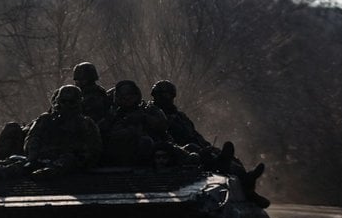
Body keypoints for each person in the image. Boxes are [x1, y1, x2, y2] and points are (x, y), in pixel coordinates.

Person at [149, 79, 269, 207]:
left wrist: (208, 147)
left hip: (193, 147)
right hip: (175, 151)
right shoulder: (151, 114)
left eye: (168, 95)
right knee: (199, 154)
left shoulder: (179, 116)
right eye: (161, 95)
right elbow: (160, 137)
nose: (165, 98)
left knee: (224, 158)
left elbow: (194, 134)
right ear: (155, 96)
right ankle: (227, 168)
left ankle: (248, 186)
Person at [0, 85, 101, 179]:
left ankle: (49, 172)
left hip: (68, 162)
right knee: (20, 162)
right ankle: (3, 172)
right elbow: (33, 138)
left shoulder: (86, 123)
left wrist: (75, 156)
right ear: (58, 102)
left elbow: (93, 149)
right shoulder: (46, 119)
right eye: (64, 102)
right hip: (42, 158)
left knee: (68, 161)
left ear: (78, 103)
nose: (67, 106)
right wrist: (34, 156)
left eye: (71, 102)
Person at [98, 80, 171, 167]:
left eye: (130, 96)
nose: (127, 100)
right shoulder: (112, 114)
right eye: (123, 97)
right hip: (119, 155)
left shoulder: (147, 110)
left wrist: (144, 118)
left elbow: (163, 126)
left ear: (136, 96)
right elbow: (99, 131)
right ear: (117, 98)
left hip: (150, 158)